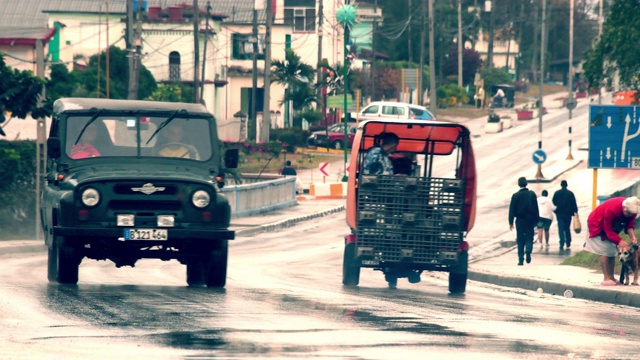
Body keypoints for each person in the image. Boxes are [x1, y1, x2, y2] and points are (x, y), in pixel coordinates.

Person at [584, 196, 640, 286]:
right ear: (624, 208)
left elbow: (630, 224)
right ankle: (606, 278)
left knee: (612, 251)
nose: (630, 215)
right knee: (605, 250)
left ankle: (612, 277)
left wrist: (632, 236)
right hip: (598, 224)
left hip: (613, 228)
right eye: (628, 213)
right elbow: (607, 229)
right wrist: (620, 241)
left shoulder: (632, 210)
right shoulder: (612, 209)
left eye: (631, 214)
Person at [508, 177, 539, 266]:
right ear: (526, 184)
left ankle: (520, 259)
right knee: (529, 236)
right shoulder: (532, 194)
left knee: (520, 239)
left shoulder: (515, 196)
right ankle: (528, 250)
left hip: (520, 220)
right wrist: (537, 220)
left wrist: (511, 222)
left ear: (519, 184)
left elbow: (512, 209)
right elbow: (536, 208)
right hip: (530, 220)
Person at [552, 180, 579, 251]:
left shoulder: (557, 193)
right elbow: (573, 203)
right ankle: (568, 242)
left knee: (560, 228)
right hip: (568, 213)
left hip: (559, 213)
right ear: (566, 185)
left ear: (561, 185)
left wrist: (556, 209)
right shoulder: (570, 194)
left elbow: (553, 202)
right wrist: (575, 212)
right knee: (567, 228)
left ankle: (561, 242)